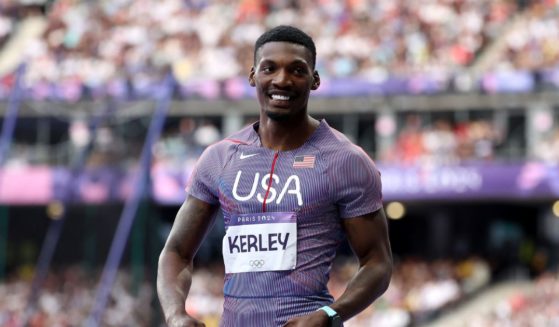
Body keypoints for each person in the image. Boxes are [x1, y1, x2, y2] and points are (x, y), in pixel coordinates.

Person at [157, 25, 393, 327]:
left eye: (297, 70)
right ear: (253, 75)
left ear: (315, 79)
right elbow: (176, 251)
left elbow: (378, 263)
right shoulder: (219, 158)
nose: (282, 80)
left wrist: (331, 315)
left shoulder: (345, 161)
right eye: (270, 68)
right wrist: (176, 315)